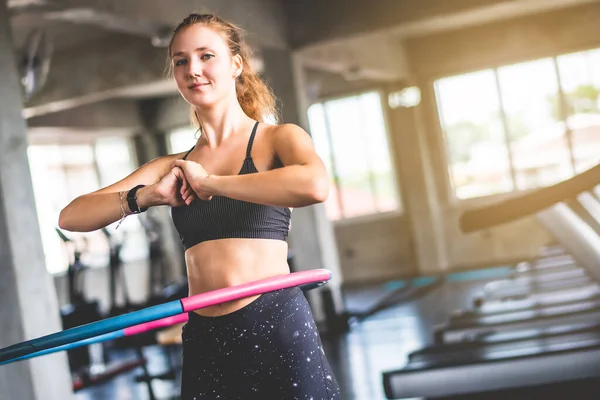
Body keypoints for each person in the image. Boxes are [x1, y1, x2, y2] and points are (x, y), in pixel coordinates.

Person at [58, 12, 342, 400]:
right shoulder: (168, 167)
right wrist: (149, 195)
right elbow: (71, 216)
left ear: (236, 65)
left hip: (273, 322)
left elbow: (315, 184)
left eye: (207, 56)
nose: (193, 69)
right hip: (206, 336)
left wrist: (211, 183)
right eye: (181, 61)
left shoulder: (277, 138)